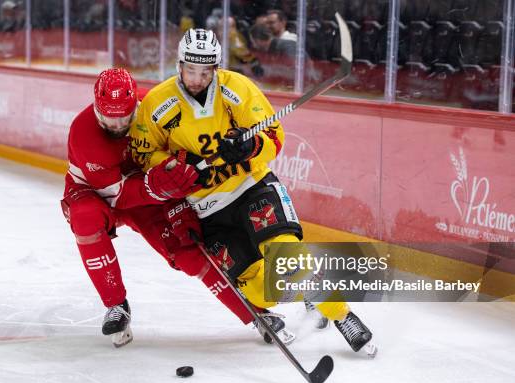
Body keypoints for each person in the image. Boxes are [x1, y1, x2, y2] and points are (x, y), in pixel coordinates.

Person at [130, 28, 376, 354]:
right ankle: (309, 291)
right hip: (209, 212)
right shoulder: (157, 104)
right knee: (259, 290)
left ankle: (341, 313)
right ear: (179, 64)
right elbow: (142, 154)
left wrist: (249, 145)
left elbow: (274, 137)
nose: (197, 78)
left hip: (252, 188)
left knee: (288, 260)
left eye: (206, 71)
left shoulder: (237, 89)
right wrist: (174, 165)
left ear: (215, 68)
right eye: (191, 69)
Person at [62, 68, 256, 348]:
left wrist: (179, 200)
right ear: (96, 106)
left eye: (124, 119)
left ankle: (257, 313)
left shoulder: (160, 108)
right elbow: (116, 195)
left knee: (190, 252)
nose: (116, 126)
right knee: (85, 216)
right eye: (107, 118)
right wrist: (159, 187)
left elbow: (179, 162)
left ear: (136, 108)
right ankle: (115, 305)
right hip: (103, 193)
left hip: (151, 190)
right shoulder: (84, 132)